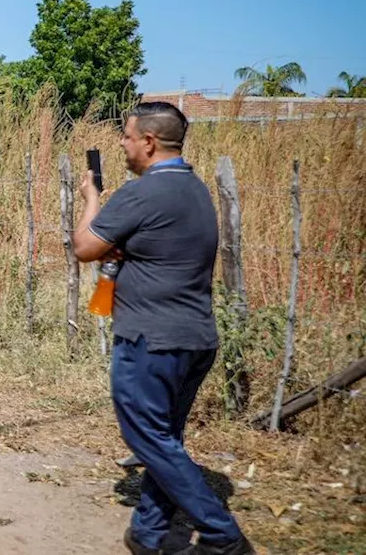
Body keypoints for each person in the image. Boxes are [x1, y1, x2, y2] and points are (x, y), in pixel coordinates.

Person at [71, 102, 253, 555]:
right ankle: (149, 534)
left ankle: (222, 535)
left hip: (151, 341)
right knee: (163, 440)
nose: (123, 144)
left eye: (128, 137)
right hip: (195, 338)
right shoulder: (195, 190)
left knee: (146, 438)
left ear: (149, 142)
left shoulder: (142, 193)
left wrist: (91, 199)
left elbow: (84, 247)